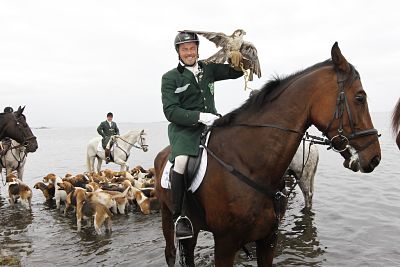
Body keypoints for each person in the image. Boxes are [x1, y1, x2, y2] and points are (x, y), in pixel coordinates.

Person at [161, 31, 245, 239]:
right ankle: (179, 217)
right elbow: (170, 111)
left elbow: (236, 73)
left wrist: (237, 60)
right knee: (180, 162)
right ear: (178, 52)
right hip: (184, 129)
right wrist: (199, 116)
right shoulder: (170, 77)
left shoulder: (208, 69)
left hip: (213, 123)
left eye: (192, 48)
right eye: (184, 49)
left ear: (197, 49)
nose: (189, 52)